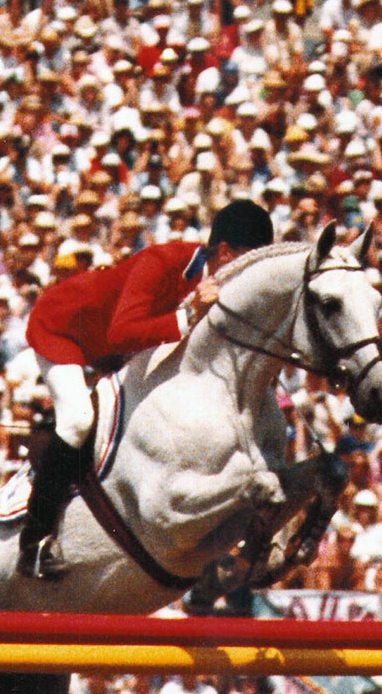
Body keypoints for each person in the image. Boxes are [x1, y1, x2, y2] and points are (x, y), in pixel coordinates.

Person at [19, 198, 273, 576]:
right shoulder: (161, 262)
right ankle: (34, 542)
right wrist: (188, 315)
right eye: (247, 265)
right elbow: (120, 332)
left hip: (110, 343)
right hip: (62, 327)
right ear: (223, 253)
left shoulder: (216, 279)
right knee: (77, 420)